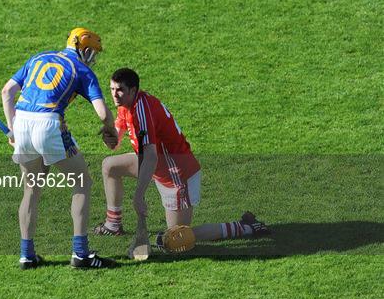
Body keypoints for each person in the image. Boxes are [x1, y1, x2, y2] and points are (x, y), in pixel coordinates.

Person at [95, 68, 269, 251]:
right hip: (157, 165)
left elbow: (152, 156)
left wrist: (139, 195)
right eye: (112, 89)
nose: (115, 94)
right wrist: (110, 136)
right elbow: (116, 143)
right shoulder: (125, 106)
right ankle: (113, 225)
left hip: (176, 175)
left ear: (133, 90)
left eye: (119, 89)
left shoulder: (142, 112)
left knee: (176, 240)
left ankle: (245, 227)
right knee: (110, 166)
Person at [1, 28, 118, 269]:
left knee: (31, 189)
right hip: (49, 124)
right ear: (84, 49)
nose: (93, 59)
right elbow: (103, 113)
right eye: (93, 53)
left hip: (22, 120)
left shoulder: (38, 58)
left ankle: (26, 255)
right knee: (82, 184)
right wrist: (112, 131)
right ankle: (81, 254)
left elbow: (7, 92)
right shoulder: (83, 70)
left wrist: (13, 129)